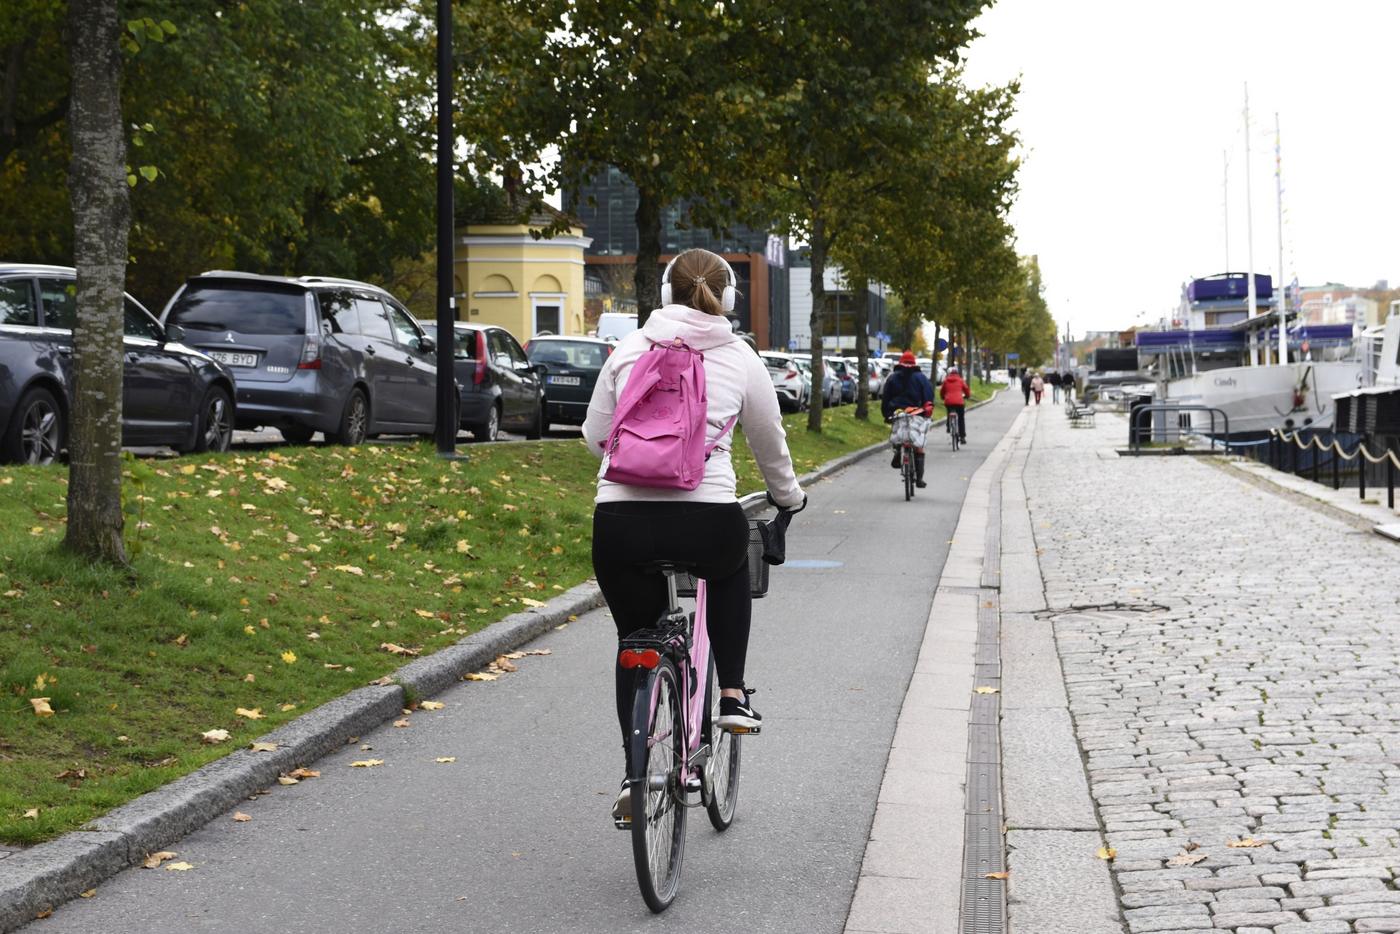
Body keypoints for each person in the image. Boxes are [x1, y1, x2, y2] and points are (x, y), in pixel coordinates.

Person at [582, 248, 805, 824]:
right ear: (728, 298)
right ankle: (731, 693)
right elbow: (768, 440)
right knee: (729, 567)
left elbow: (595, 436)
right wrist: (788, 498)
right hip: (706, 519)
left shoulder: (627, 350)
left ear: (662, 293)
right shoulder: (741, 357)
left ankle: (637, 771)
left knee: (636, 637)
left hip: (619, 525)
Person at [881, 350, 935, 487]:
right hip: (916, 413)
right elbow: (929, 396)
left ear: (900, 363)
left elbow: (885, 397)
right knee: (919, 444)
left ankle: (898, 450)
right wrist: (927, 411)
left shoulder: (892, 378)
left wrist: (886, 414)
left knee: (898, 433)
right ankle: (919, 479)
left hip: (897, 412)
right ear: (914, 363)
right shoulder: (921, 378)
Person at [940, 365, 972, 443]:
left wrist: (943, 397)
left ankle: (948, 427)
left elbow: (942, 391)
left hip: (949, 402)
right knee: (961, 418)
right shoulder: (960, 380)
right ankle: (962, 437)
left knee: (949, 412)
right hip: (959, 402)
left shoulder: (946, 381)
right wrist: (967, 396)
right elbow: (966, 389)